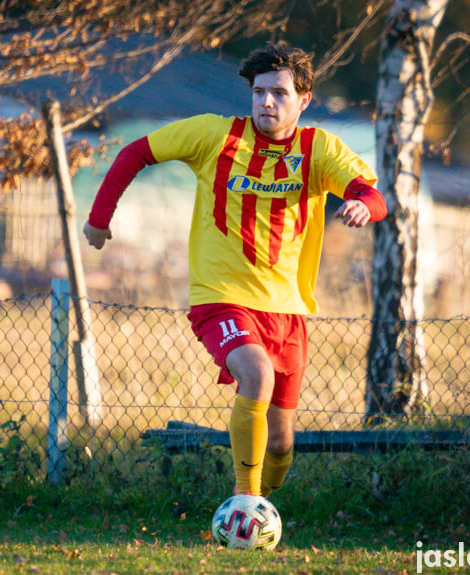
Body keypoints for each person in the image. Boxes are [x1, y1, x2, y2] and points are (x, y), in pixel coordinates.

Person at [84, 42, 388, 499]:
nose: (267, 101)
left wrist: (363, 205)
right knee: (256, 374)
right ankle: (244, 501)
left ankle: (260, 505)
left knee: (282, 444)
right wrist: (98, 219)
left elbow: (373, 194)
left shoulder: (318, 148)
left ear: (304, 100)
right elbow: (135, 153)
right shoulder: (215, 136)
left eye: (280, 93)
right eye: (259, 91)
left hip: (287, 311)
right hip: (221, 296)